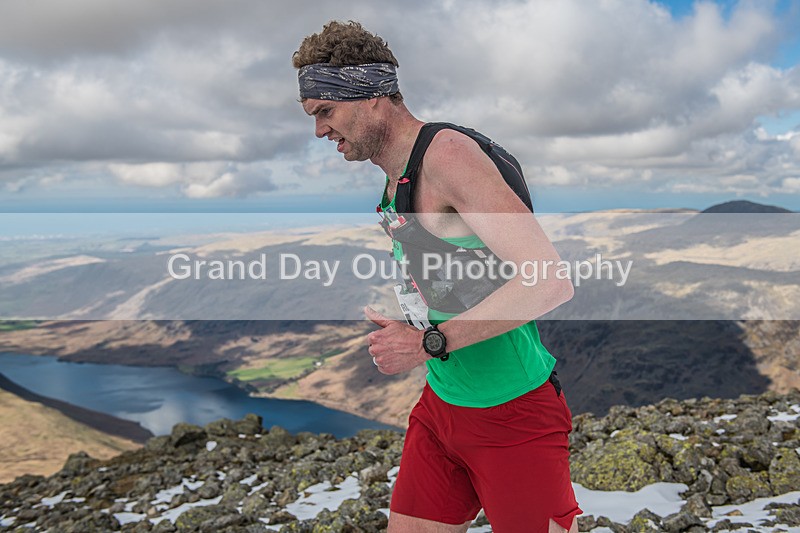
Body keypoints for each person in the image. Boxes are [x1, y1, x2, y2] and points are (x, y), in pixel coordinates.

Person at [293, 21, 582, 533]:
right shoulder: (396, 172)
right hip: (443, 403)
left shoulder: (447, 156)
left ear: (373, 97)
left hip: (513, 411)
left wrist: (428, 341)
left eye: (325, 111)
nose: (319, 131)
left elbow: (550, 280)